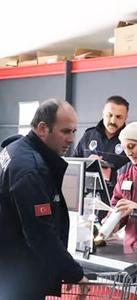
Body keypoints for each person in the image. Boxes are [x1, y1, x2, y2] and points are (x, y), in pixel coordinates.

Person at [0, 99, 87, 299]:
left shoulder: (14, 149)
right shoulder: (31, 170)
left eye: (74, 132)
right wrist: (74, 273)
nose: (72, 139)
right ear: (42, 129)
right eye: (65, 131)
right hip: (19, 276)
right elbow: (40, 233)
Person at [72, 95, 130, 195]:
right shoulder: (88, 135)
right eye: (109, 115)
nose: (113, 121)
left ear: (126, 117)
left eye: (118, 117)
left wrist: (111, 175)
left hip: (117, 202)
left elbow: (136, 178)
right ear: (103, 113)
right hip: (86, 200)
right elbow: (73, 167)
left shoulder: (131, 141)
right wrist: (87, 163)